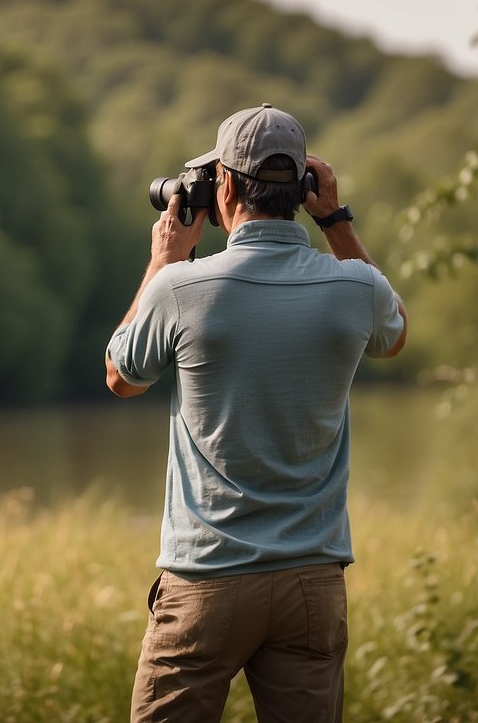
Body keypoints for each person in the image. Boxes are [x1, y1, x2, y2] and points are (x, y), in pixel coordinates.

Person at [104, 103, 408, 723]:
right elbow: (393, 334)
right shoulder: (356, 288)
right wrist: (336, 220)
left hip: (206, 577)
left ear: (226, 185)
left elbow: (120, 377)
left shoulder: (182, 288)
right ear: (303, 189)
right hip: (310, 581)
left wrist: (164, 258)